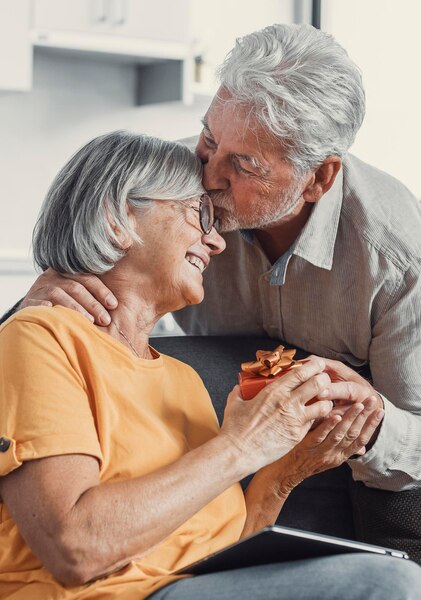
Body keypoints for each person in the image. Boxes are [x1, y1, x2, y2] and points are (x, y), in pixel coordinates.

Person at [1, 130, 419, 600]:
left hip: (181, 598)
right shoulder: (41, 337)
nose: (218, 240)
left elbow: (219, 556)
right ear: (117, 219)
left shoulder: (182, 379)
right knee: (387, 591)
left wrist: (288, 467)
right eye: (200, 215)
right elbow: (77, 546)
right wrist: (243, 442)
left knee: (384, 575)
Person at [13, 24, 421, 495]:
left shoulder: (399, 257)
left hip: (344, 463)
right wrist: (37, 301)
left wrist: (367, 430)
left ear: (318, 179)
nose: (207, 176)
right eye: (209, 139)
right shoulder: (168, 192)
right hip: (207, 442)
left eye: (244, 165)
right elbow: (52, 345)